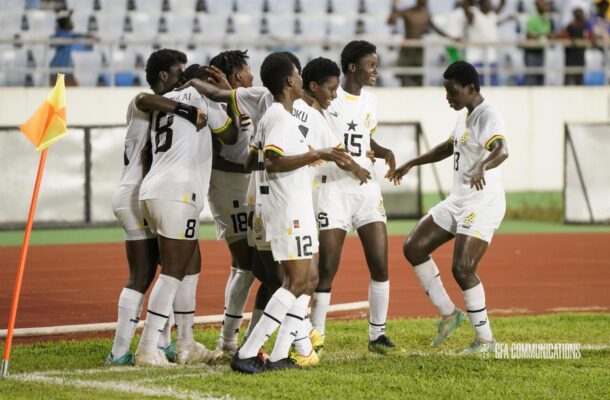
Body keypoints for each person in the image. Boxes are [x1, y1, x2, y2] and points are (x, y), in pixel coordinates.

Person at [228, 52, 350, 373]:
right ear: (288, 82)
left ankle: (283, 355)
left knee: (308, 279)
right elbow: (273, 160)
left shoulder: (276, 115)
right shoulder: (281, 117)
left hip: (292, 205)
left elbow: (250, 161)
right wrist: (317, 154)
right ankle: (248, 352)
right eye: (296, 75)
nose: (300, 80)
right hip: (288, 208)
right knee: (294, 282)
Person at [388, 61, 509, 354]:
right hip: (458, 200)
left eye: (452, 92)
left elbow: (502, 150)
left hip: (483, 201)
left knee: (463, 268)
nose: (448, 98)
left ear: (470, 89)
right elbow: (447, 147)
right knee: (414, 247)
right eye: (446, 92)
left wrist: (482, 165)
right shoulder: (465, 115)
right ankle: (449, 313)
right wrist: (411, 163)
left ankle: (485, 340)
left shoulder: (487, 114)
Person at [134, 55, 238, 367]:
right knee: (173, 272)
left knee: (191, 264)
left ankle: (186, 343)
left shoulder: (166, 99)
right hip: (177, 192)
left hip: (156, 190)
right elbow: (231, 136)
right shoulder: (201, 95)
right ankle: (148, 347)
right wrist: (227, 92)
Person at [106, 49, 207, 366]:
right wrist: (187, 110)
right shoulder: (148, 101)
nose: (184, 76)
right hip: (138, 193)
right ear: (164, 75)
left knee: (161, 268)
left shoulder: (164, 108)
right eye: (179, 71)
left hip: (137, 193)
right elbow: (143, 98)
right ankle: (126, 351)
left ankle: (150, 345)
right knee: (148, 272)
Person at [310, 40, 405, 356]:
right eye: (371, 65)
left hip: (366, 191)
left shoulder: (372, 101)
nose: (376, 70)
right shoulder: (326, 98)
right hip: (333, 190)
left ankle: (378, 335)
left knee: (380, 263)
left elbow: (364, 137)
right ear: (352, 67)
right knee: (327, 267)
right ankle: (316, 336)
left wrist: (384, 151)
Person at [205, 50, 257, 356]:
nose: (252, 74)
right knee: (246, 264)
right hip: (227, 186)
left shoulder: (248, 98)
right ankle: (227, 340)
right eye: (248, 69)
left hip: (249, 185)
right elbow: (215, 155)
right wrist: (254, 165)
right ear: (237, 75)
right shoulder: (217, 105)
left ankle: (239, 338)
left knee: (249, 264)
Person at [387, 0, 455, 86]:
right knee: (404, 78)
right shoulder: (408, 12)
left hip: (419, 51)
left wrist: (451, 38)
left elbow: (436, 29)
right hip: (407, 50)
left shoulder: (426, 15)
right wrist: (394, 6)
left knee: (419, 79)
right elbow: (390, 21)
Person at [49, 9, 93, 86]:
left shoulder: (68, 36)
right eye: (69, 21)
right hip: (58, 71)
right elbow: (67, 36)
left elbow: (77, 38)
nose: (72, 23)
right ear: (65, 23)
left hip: (64, 71)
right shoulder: (61, 36)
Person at [524, 0, 554, 86]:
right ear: (537, 6)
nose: (546, 6)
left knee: (541, 79)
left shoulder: (547, 19)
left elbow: (547, 34)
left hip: (542, 52)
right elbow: (529, 35)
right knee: (531, 79)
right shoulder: (532, 18)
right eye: (543, 4)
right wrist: (542, 36)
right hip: (532, 53)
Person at [560, 8, 592, 85]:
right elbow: (563, 35)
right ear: (575, 15)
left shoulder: (585, 26)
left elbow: (591, 36)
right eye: (579, 13)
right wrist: (570, 39)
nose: (581, 15)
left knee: (580, 76)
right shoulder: (571, 26)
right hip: (571, 56)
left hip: (580, 55)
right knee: (569, 76)